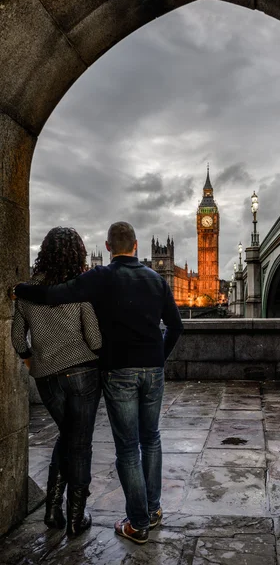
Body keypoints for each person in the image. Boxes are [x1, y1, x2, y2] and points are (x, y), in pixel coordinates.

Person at [14, 221, 184, 545]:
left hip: (117, 372)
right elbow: (176, 327)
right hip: (153, 370)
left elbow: (54, 295)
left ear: (107, 248)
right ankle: (153, 509)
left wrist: (21, 290)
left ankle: (138, 523)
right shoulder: (156, 279)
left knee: (127, 449)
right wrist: (159, 358)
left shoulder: (100, 277)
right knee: (151, 440)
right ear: (136, 246)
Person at [11, 227, 102, 537]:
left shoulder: (26, 290)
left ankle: (52, 509)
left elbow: (17, 338)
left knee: (66, 436)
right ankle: (76, 517)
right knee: (80, 444)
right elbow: (93, 337)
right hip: (83, 374)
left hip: (47, 378)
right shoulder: (79, 287)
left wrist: (33, 361)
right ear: (77, 253)